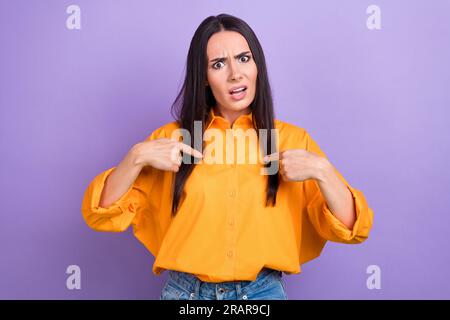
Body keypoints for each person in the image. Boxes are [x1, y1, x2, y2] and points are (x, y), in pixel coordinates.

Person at [81, 13, 374, 300]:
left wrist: (322, 170)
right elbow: (101, 215)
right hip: (187, 296)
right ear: (205, 78)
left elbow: (353, 229)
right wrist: (135, 156)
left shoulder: (291, 141)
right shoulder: (173, 141)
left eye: (244, 59)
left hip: (261, 296)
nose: (235, 73)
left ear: (257, 65)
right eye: (218, 64)